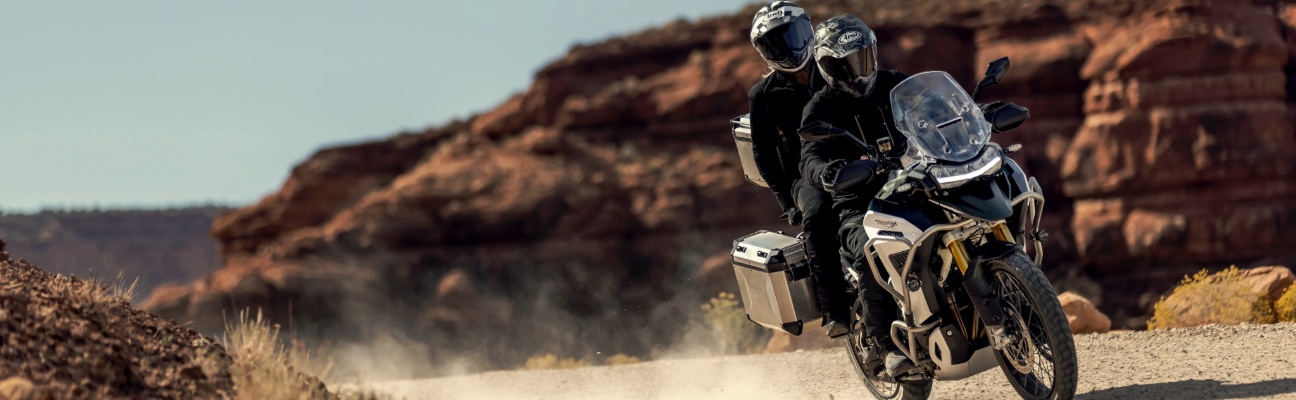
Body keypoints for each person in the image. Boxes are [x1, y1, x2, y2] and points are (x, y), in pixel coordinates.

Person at [797, 15, 914, 376]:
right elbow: (809, 155)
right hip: (858, 206)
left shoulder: (893, 83)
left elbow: (930, 106)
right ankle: (884, 346)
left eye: (864, 58)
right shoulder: (820, 108)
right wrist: (826, 172)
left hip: (911, 188)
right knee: (871, 250)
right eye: (849, 64)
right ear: (831, 68)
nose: (860, 70)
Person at [747, 1, 852, 338]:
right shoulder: (763, 95)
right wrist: (787, 203)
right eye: (775, 43)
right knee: (818, 215)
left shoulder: (835, 66)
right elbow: (762, 154)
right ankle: (836, 312)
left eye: (791, 36)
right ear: (764, 52)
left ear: (807, 30)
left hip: (854, 157)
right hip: (804, 176)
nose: (787, 47)